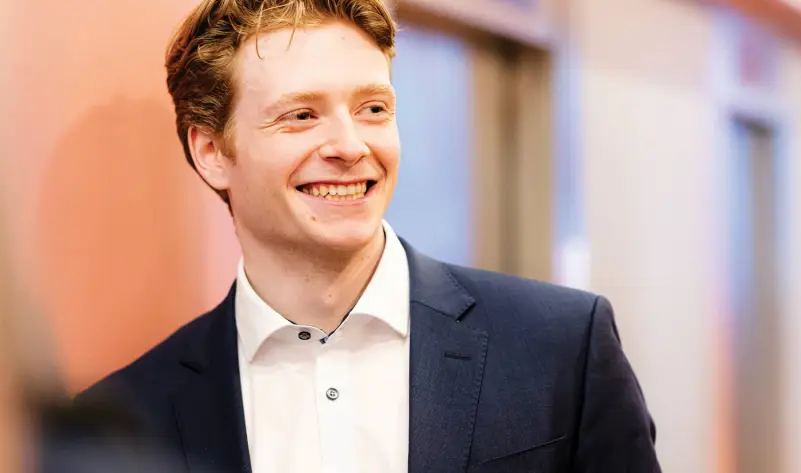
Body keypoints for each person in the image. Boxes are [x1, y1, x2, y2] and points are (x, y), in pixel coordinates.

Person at [78, 1, 660, 472]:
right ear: (211, 151)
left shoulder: (562, 348)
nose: (351, 146)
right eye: (301, 115)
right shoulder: (121, 423)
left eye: (373, 108)